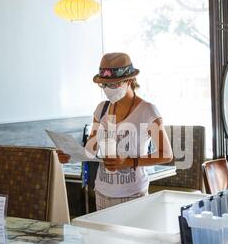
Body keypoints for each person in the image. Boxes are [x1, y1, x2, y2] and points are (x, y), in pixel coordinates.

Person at [57, 52, 173, 210]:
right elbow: (91, 149)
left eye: (113, 84)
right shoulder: (101, 109)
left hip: (133, 194)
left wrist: (128, 162)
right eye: (104, 85)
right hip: (102, 192)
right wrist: (72, 154)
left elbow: (166, 154)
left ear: (130, 80)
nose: (107, 89)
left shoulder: (148, 111)